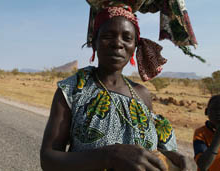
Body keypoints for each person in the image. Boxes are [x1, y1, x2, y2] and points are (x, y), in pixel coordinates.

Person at [40, 1, 197, 170]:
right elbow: (48, 159)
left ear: (135, 46)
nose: (118, 43)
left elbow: (146, 154)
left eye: (127, 38)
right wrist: (108, 156)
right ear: (94, 42)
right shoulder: (72, 90)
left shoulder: (142, 94)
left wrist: (172, 158)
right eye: (108, 36)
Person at [193, 94, 220, 171]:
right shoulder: (201, 133)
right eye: (215, 109)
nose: (219, 113)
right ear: (206, 112)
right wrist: (218, 136)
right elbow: (203, 165)